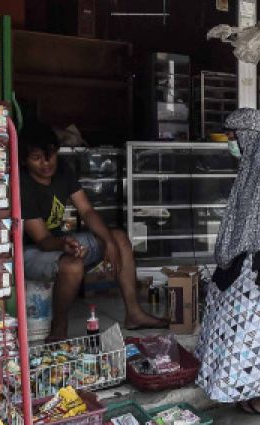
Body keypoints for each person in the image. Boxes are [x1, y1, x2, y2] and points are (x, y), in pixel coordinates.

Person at [18, 125, 167, 341]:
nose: (46, 163)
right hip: (29, 252)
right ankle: (59, 327)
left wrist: (109, 242)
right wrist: (64, 245)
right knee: (72, 265)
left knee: (118, 237)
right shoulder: (24, 184)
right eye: (37, 158)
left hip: (58, 242)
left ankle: (134, 314)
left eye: (50, 155)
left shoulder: (62, 172)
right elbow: (42, 240)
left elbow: (86, 210)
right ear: (25, 160)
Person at [195, 109, 260, 416]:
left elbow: (257, 224)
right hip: (256, 255)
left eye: (231, 136)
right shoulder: (258, 159)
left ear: (246, 134)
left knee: (255, 327)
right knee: (256, 327)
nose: (230, 142)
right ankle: (257, 393)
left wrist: (232, 255)